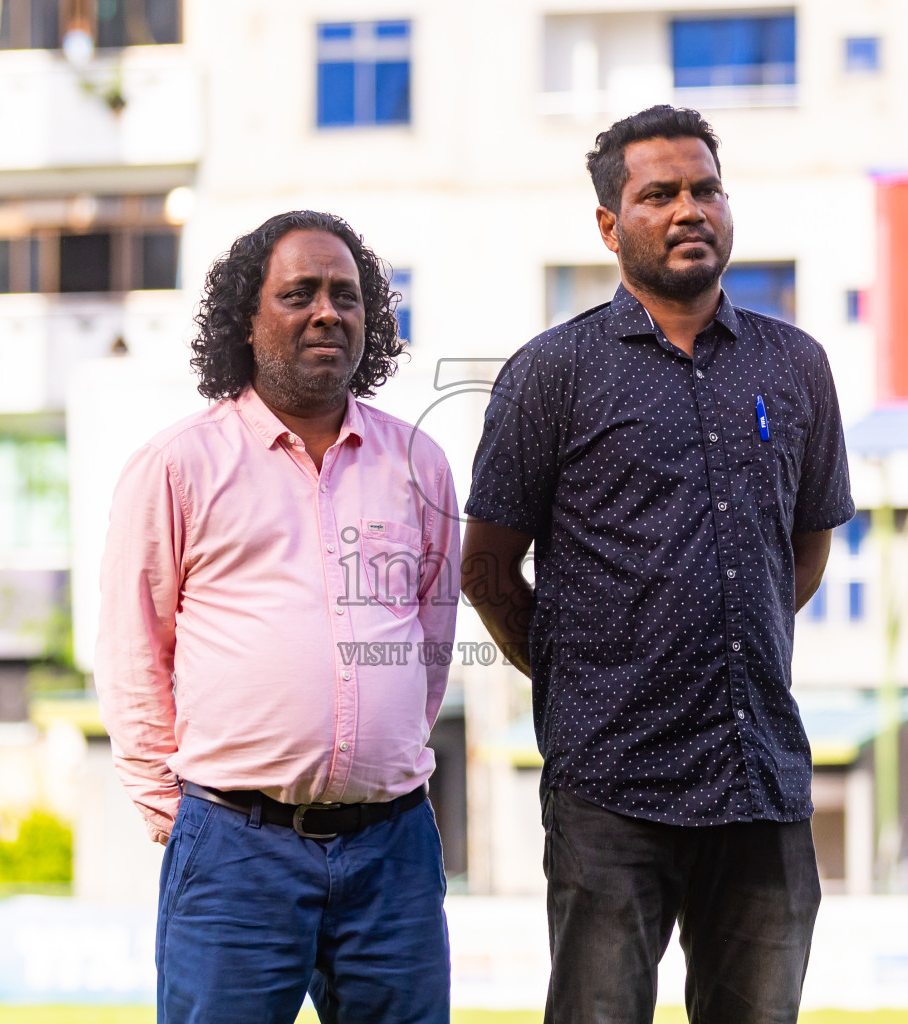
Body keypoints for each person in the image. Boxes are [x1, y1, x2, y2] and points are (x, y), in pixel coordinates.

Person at [461, 106, 855, 1024]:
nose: (690, 209)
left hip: (760, 778)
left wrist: (732, 643)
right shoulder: (553, 372)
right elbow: (485, 567)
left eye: (707, 189)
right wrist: (578, 673)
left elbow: (807, 546)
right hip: (611, 787)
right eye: (660, 194)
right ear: (609, 225)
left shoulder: (795, 364)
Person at [96, 210, 459, 1024]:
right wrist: (180, 810)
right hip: (234, 848)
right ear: (246, 320)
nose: (329, 311)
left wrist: (377, 753)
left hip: (393, 852)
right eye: (299, 294)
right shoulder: (178, 465)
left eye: (347, 295)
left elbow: (430, 646)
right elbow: (131, 650)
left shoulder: (418, 462)